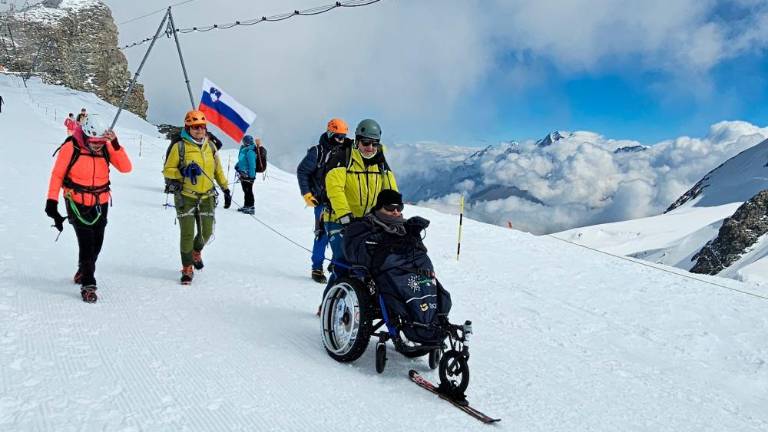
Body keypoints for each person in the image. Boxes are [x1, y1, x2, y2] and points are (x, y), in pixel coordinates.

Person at [343, 189, 451, 346]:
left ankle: (431, 324)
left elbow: (420, 255)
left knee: (432, 289)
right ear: (379, 207)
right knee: (401, 291)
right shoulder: (363, 226)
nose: (395, 212)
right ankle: (416, 326)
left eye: (399, 208)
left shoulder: (406, 228)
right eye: (389, 208)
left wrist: (414, 234)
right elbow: (359, 255)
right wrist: (385, 241)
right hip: (387, 273)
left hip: (414, 273)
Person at [45, 114, 132, 302]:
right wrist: (52, 201)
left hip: (100, 203)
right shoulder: (71, 147)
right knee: (86, 243)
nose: (97, 145)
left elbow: (126, 168)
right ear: (85, 135)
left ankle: (83, 270)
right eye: (94, 142)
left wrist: (115, 144)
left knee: (97, 243)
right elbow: (57, 174)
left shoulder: (107, 148)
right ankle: (88, 284)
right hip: (76, 202)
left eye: (101, 141)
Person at [319, 118, 397, 313]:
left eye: (374, 143)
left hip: (367, 222)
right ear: (357, 140)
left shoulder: (380, 162)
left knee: (374, 263)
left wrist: (394, 212)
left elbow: (390, 191)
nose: (370, 148)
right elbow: (334, 189)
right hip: (337, 219)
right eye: (366, 143)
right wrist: (345, 215)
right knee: (344, 261)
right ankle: (328, 307)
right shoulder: (342, 157)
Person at [163, 110, 231, 284]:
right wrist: (182, 172)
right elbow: (167, 170)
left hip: (207, 196)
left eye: (202, 127)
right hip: (186, 197)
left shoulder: (211, 146)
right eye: (195, 127)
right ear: (188, 127)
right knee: (187, 234)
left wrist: (225, 189)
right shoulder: (180, 146)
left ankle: (196, 251)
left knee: (206, 233)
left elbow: (218, 170)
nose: (199, 130)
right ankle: (187, 267)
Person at [296, 118, 353, 284]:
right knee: (322, 234)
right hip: (322, 201)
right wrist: (307, 194)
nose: (341, 140)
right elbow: (302, 171)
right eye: (337, 136)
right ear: (329, 133)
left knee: (344, 234)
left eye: (343, 137)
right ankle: (317, 267)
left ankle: (336, 264)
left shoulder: (348, 150)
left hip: (343, 200)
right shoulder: (318, 152)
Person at [235, 134, 257, 214]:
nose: (245, 142)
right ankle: (246, 205)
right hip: (243, 174)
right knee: (245, 190)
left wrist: (252, 176)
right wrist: (237, 166)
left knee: (248, 191)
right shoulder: (244, 149)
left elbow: (252, 165)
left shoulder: (250, 151)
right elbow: (242, 160)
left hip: (248, 175)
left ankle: (251, 207)